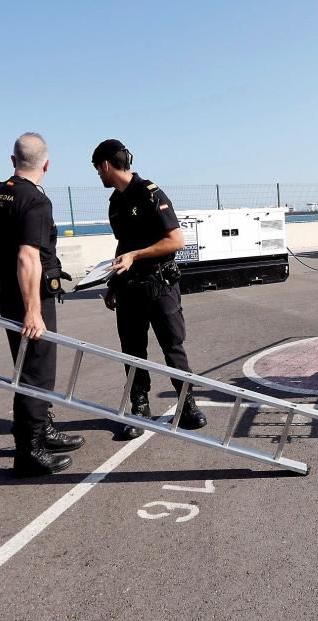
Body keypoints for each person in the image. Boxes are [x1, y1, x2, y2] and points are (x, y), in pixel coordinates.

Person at [0, 133, 84, 476]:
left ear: (12, 161)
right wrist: (33, 309)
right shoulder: (36, 202)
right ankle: (28, 451)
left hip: (8, 290)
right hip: (29, 292)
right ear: (47, 164)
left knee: (31, 364)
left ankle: (41, 430)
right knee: (36, 370)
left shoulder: (0, 190)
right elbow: (28, 257)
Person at [91, 139, 207, 436]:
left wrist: (136, 255)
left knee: (173, 346)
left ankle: (187, 404)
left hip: (160, 284)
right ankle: (139, 407)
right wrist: (113, 284)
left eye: (97, 169)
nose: (99, 176)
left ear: (105, 165)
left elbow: (175, 241)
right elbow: (124, 245)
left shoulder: (149, 193)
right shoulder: (116, 202)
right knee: (132, 351)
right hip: (130, 287)